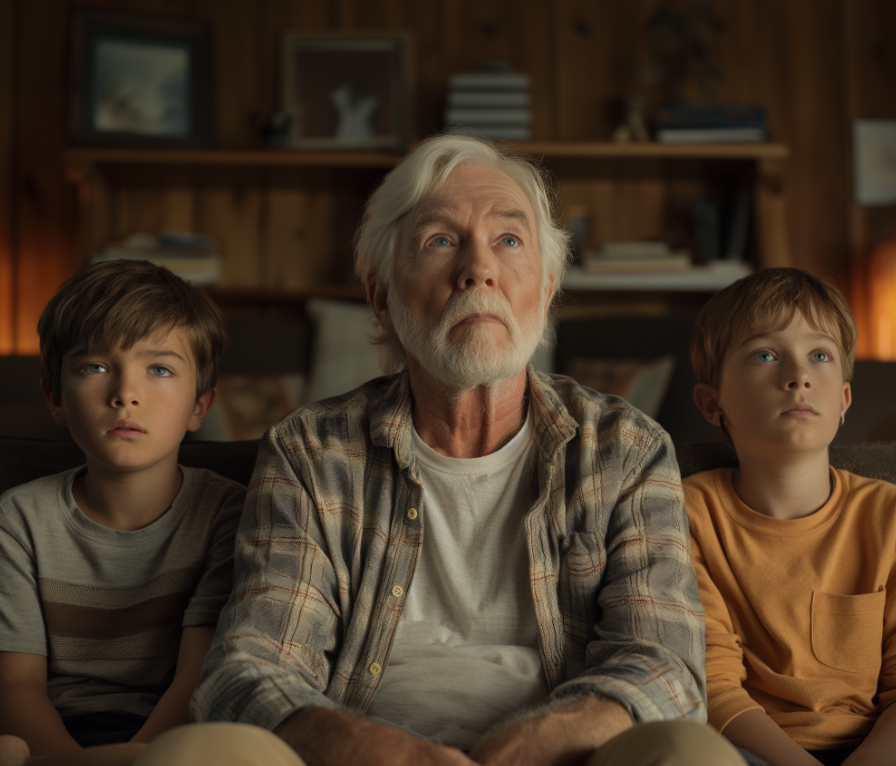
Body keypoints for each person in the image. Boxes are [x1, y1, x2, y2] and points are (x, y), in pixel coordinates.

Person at [192, 135, 744, 766]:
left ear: (546, 287)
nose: (478, 268)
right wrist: (400, 758)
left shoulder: (625, 448)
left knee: (689, 752)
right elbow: (248, 671)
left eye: (509, 240)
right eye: (440, 240)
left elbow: (666, 669)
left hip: (566, 758)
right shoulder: (310, 452)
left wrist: (529, 744)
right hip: (363, 761)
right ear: (381, 296)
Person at [0, 261, 245, 764]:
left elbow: (198, 674)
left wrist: (139, 759)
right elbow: (17, 684)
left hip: (175, 736)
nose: (125, 395)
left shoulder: (227, 512)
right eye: (94, 367)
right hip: (54, 738)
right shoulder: (19, 518)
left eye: (159, 369)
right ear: (56, 398)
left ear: (200, 405)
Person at [685, 268, 896, 766]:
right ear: (712, 403)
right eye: (765, 355)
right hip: (746, 751)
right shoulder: (687, 513)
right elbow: (714, 686)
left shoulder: (895, 517)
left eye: (820, 355)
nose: (798, 375)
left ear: (844, 399)